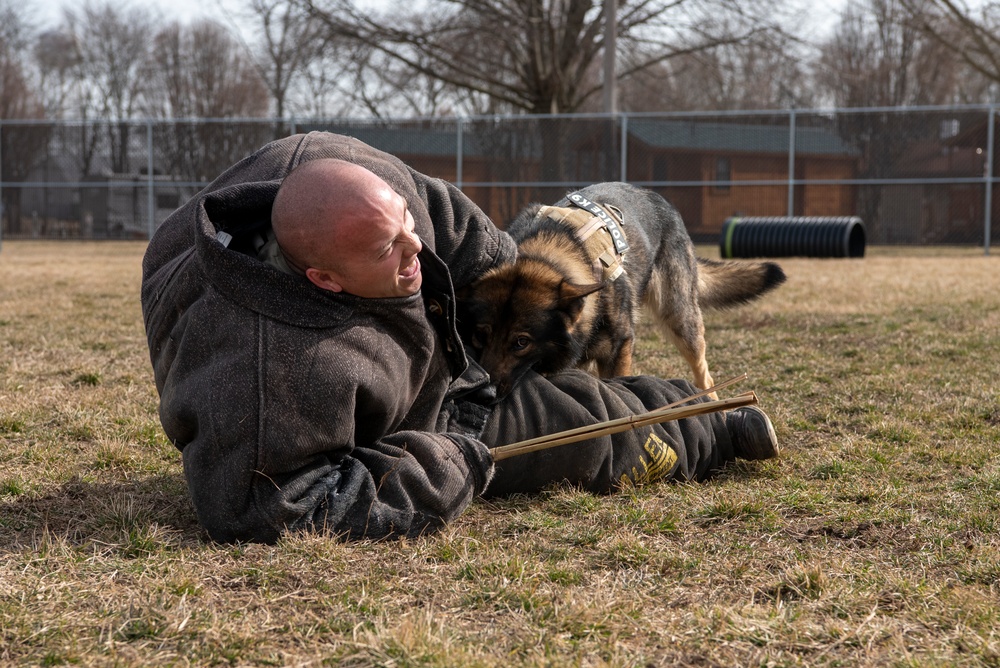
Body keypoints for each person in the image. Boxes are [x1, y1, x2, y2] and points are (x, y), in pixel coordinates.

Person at [141, 131, 777, 544]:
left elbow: (480, 245)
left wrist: (484, 346)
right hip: (378, 431)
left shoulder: (376, 189)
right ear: (324, 278)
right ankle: (701, 438)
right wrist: (455, 453)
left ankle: (711, 417)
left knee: (581, 395)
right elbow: (279, 508)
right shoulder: (265, 377)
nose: (415, 246)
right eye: (388, 248)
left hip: (432, 366)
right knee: (577, 440)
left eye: (405, 226)